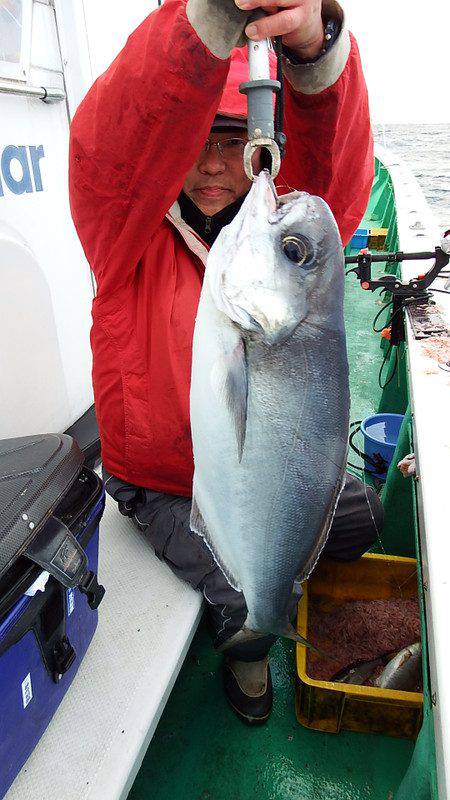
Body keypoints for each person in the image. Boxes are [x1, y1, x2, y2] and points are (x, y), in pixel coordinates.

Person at [69, 0, 382, 725]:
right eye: (196, 139)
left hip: (253, 472)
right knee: (245, 599)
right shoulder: (125, 232)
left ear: (258, 149)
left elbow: (327, 190)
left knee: (363, 513)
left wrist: (315, 52)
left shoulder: (263, 247)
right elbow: (115, 147)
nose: (212, 166)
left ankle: (272, 586)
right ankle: (250, 648)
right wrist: (210, 16)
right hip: (158, 483)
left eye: (234, 140)